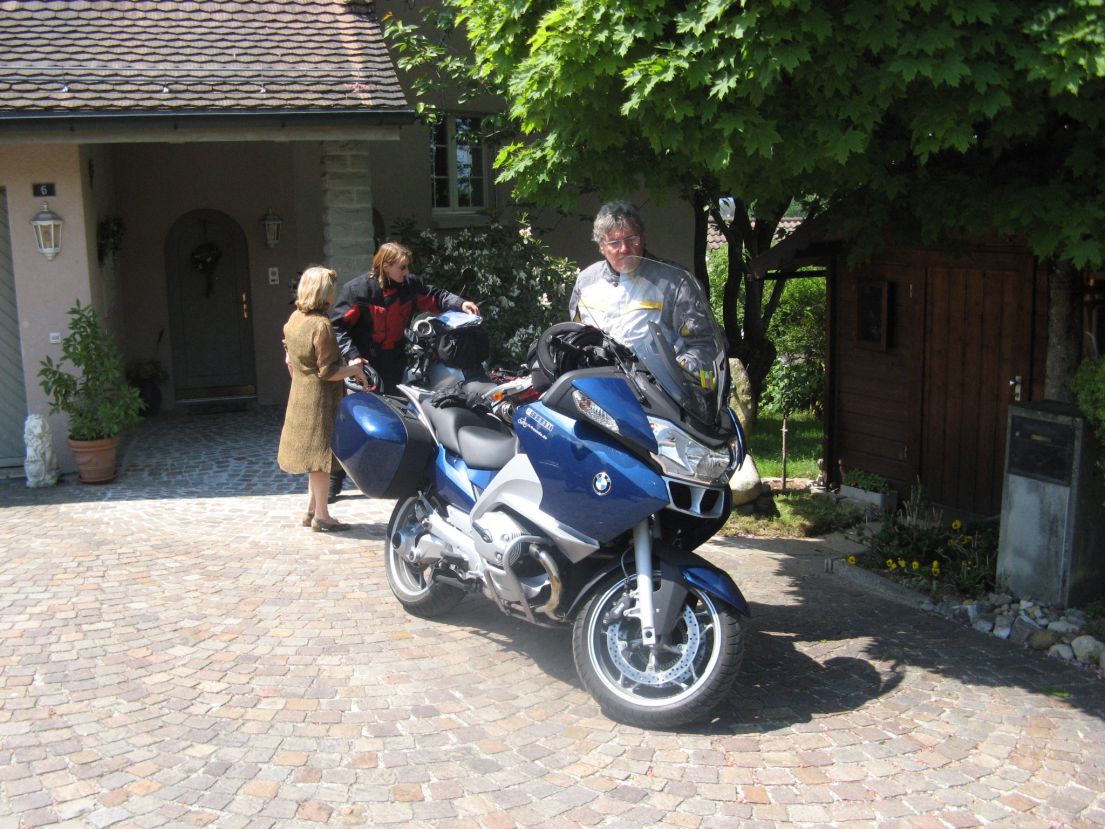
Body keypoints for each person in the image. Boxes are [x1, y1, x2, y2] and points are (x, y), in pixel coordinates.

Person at [328, 241, 480, 500]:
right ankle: (335, 478)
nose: (407, 271)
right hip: (363, 365)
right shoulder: (357, 290)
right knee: (354, 419)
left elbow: (435, 296)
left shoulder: (410, 286)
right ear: (385, 266)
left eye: (408, 267)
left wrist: (460, 303)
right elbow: (338, 326)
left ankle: (388, 474)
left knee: (392, 419)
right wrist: (352, 357)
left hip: (394, 361)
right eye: (402, 267)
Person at [569, 200, 718, 379]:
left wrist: (676, 377)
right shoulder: (586, 280)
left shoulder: (676, 281)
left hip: (658, 390)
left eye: (632, 239)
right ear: (601, 246)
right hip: (601, 387)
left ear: (643, 238)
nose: (624, 249)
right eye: (614, 243)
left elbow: (704, 344)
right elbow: (575, 335)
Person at [277, 266, 368, 532]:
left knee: (314, 458)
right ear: (323, 293)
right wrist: (355, 370)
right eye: (331, 289)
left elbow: (288, 358)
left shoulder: (295, 318)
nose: (334, 293)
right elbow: (328, 372)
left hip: (300, 394)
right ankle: (322, 516)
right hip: (320, 401)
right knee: (321, 459)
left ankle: (310, 510)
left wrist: (301, 376)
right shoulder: (321, 325)